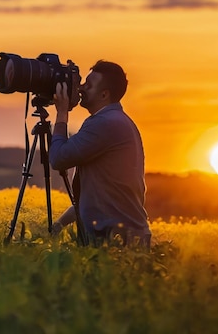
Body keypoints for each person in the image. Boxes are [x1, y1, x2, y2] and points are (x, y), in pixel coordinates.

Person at [49, 60, 151, 248]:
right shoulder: (115, 121)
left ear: (104, 94)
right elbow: (96, 197)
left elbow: (58, 158)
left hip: (118, 240)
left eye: (88, 85)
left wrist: (61, 113)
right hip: (122, 237)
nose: (80, 88)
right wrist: (58, 225)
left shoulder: (106, 123)